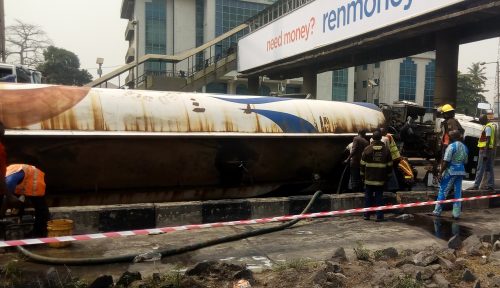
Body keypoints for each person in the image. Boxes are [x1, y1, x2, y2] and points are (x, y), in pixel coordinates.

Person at [0, 164, 50, 237]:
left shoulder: (8, 182)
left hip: (34, 178)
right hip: (20, 178)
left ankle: (39, 233)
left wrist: (1, 214)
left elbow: (7, 199)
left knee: (41, 208)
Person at [431, 130, 468, 220]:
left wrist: (440, 173)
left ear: (453, 137)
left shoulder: (451, 147)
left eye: (449, 136)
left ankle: (437, 211)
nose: (448, 138)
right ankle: (456, 214)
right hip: (461, 171)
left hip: (451, 171)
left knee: (443, 190)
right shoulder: (465, 147)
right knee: (458, 192)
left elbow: (446, 161)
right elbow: (466, 161)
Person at [360, 130, 392, 222]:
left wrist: (362, 176)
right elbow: (390, 166)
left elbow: (362, 165)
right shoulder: (386, 150)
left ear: (373, 138)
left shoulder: (367, 149)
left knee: (368, 197)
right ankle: (379, 216)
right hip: (380, 179)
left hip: (369, 179)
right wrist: (388, 177)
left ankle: (366, 215)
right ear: (381, 138)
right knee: (379, 197)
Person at [467, 114, 496, 191]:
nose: (480, 122)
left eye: (481, 121)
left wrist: (485, 153)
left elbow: (488, 139)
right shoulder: (490, 126)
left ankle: (476, 185)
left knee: (480, 168)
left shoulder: (488, 127)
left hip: (484, 150)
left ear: (484, 119)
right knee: (489, 168)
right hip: (489, 149)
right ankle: (490, 186)